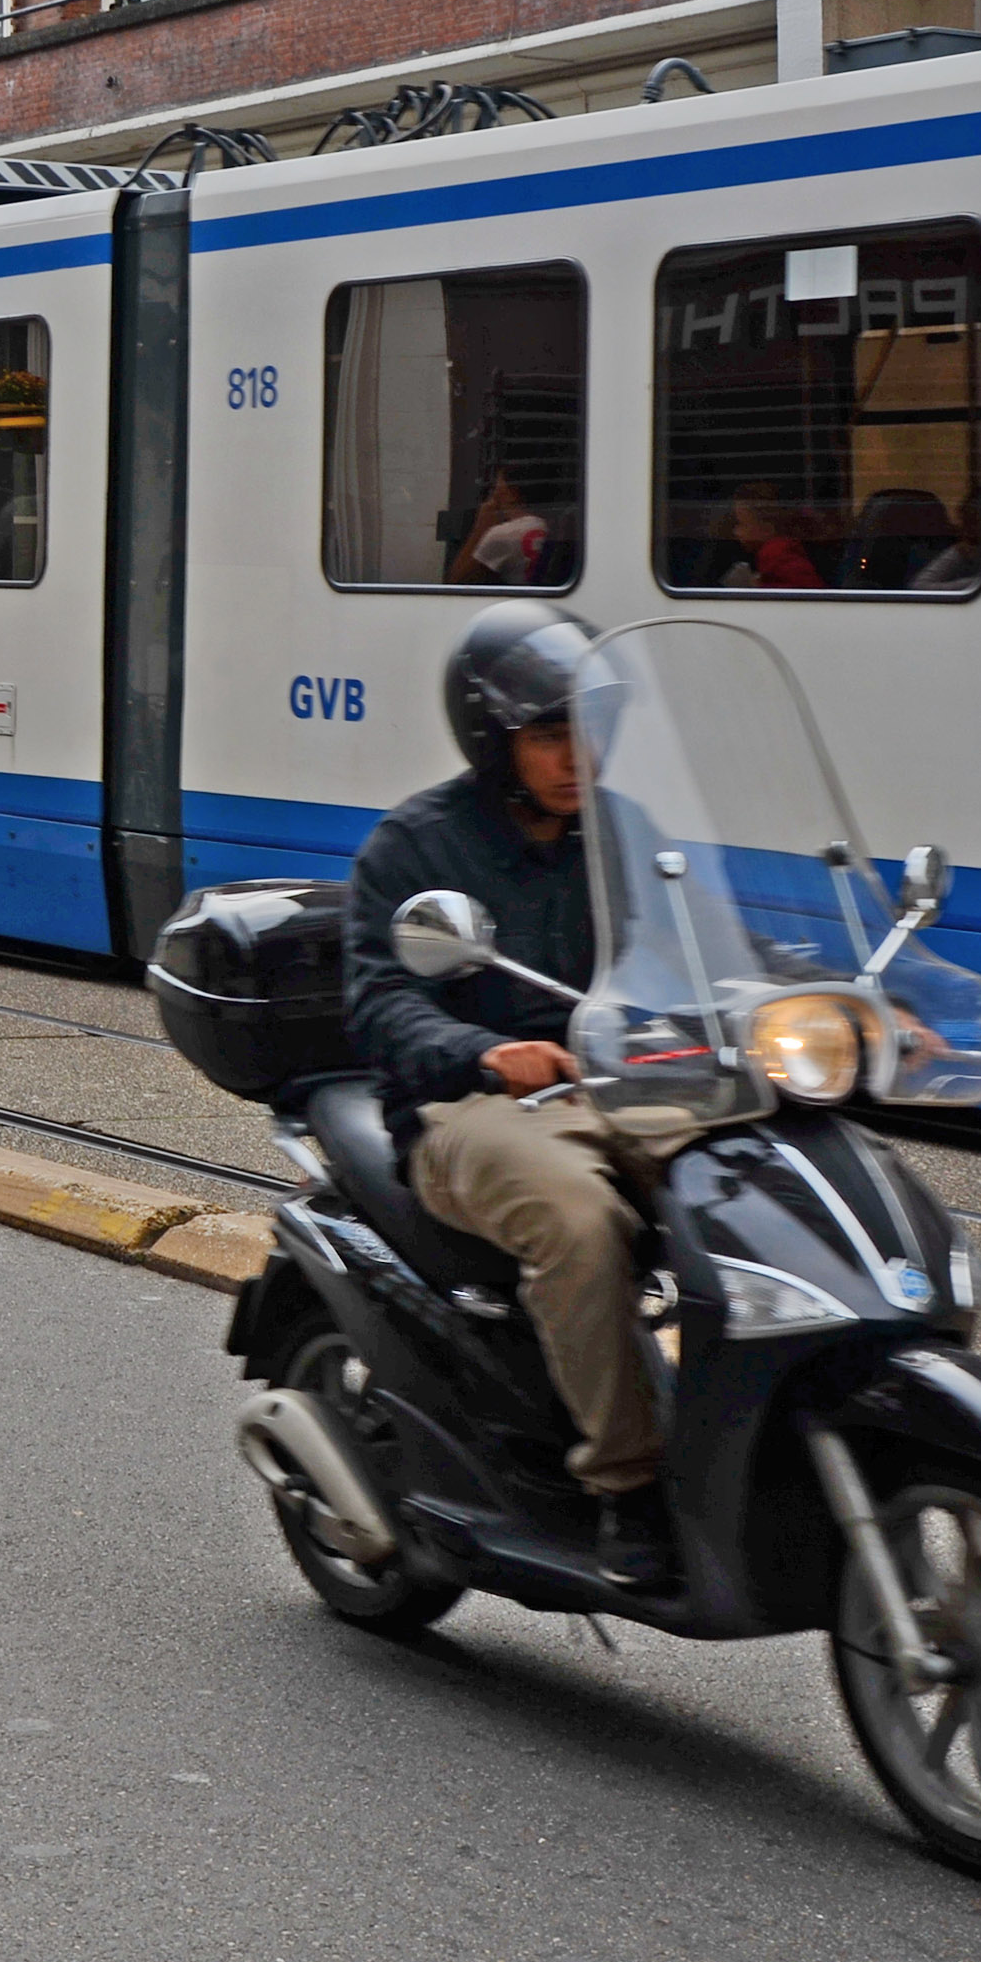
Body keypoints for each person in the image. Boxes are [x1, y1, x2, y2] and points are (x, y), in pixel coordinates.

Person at [341, 600, 694, 1592]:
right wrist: (490, 1053)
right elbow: (379, 1008)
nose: (578, 754)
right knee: (581, 1221)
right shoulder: (414, 849)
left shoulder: (627, 834)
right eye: (550, 734)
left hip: (623, 1083)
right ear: (497, 742)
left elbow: (695, 946)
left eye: (592, 727)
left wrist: (810, 998)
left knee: (759, 1177)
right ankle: (625, 1484)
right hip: (467, 1112)